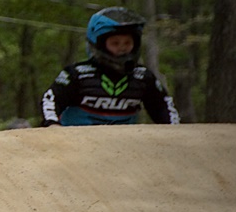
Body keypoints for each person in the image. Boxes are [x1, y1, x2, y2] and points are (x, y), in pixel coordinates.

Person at [40, 7, 179, 126]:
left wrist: (175, 131)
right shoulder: (77, 74)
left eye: (127, 43)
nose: (122, 48)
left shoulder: (143, 77)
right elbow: (51, 100)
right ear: (99, 44)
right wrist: (52, 125)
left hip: (125, 144)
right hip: (77, 143)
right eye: (115, 43)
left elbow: (163, 107)